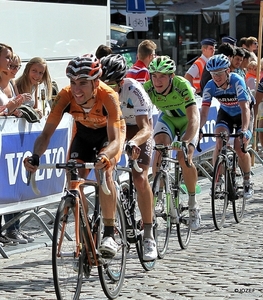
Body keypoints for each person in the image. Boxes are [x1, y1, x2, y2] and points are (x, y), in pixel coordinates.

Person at [23, 54, 126, 258]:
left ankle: (108, 233)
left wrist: (105, 156)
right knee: (73, 177)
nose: (76, 89)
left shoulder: (108, 97)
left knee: (104, 174)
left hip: (108, 137)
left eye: (83, 83)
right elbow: (46, 134)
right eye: (72, 82)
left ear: (96, 82)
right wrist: (35, 156)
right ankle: (85, 227)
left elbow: (116, 140)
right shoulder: (65, 96)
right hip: (84, 136)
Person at [100, 53, 157, 261]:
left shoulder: (133, 89)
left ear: (122, 81)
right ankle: (109, 227)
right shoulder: (98, 90)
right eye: (103, 82)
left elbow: (145, 128)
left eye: (113, 84)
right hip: (115, 128)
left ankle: (149, 235)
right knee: (105, 169)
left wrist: (133, 143)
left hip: (137, 129)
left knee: (140, 178)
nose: (108, 87)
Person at [144, 56, 201, 230]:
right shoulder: (147, 89)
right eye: (154, 76)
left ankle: (193, 203)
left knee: (184, 157)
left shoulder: (181, 85)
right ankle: (159, 195)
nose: (157, 80)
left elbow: (193, 118)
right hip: (167, 119)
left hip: (187, 121)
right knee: (159, 147)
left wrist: (184, 142)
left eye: (162, 76)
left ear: (171, 76)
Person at [200, 54, 254, 199]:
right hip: (226, 113)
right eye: (213, 74)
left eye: (219, 73)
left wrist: (244, 130)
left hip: (243, 113)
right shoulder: (210, 85)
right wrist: (199, 129)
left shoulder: (237, 81)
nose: (216, 77)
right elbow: (204, 113)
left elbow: (245, 108)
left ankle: (247, 181)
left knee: (239, 146)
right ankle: (218, 179)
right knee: (219, 141)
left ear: (227, 71)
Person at [0, 54, 34, 244]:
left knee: (14, 185)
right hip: (2, 141)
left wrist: (18, 109)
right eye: (9, 61)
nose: (13, 67)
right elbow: (4, 108)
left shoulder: (12, 84)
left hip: (10, 142)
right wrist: (10, 106)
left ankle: (13, 228)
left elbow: (10, 108)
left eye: (16, 65)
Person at [0, 42, 19, 247]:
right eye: (7, 57)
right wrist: (8, 108)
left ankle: (9, 230)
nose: (10, 61)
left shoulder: (9, 84)